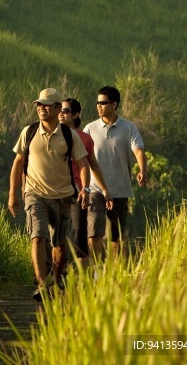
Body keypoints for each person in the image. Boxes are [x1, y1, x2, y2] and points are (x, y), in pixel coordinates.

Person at [8, 88, 93, 301]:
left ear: (57, 108)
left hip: (63, 196)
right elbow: (18, 162)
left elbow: (83, 164)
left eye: (46, 105)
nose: (41, 108)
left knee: (59, 245)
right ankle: (42, 284)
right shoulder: (29, 132)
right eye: (39, 104)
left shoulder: (69, 135)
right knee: (37, 236)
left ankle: (55, 279)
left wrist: (85, 188)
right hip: (34, 194)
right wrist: (12, 194)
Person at [83, 85, 147, 259]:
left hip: (120, 189)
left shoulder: (128, 128)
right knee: (94, 230)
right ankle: (95, 270)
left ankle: (114, 272)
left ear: (114, 104)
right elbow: (81, 158)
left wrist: (142, 169)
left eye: (103, 103)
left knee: (117, 235)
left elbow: (138, 150)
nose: (98, 106)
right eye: (97, 102)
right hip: (95, 188)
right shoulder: (90, 128)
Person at [58, 97, 110, 269]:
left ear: (75, 114)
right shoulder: (52, 134)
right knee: (57, 234)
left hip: (77, 191)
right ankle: (57, 274)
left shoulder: (84, 138)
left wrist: (104, 189)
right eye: (60, 110)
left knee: (79, 234)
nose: (61, 114)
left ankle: (81, 278)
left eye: (65, 111)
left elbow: (92, 164)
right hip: (54, 189)